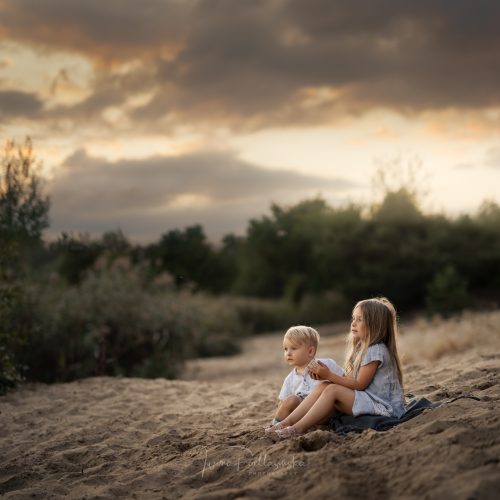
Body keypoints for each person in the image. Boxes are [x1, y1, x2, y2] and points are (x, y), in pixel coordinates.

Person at [265, 297, 405, 439]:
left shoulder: (376, 350)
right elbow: (352, 380)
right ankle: (285, 423)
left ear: (374, 324)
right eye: (353, 318)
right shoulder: (363, 349)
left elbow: (360, 385)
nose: (353, 323)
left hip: (383, 407)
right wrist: (325, 377)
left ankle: (297, 428)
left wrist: (330, 375)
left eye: (359, 319)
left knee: (332, 389)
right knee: (324, 385)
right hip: (368, 399)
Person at [269, 325, 344, 426]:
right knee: (291, 400)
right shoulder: (290, 379)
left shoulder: (326, 364)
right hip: (301, 412)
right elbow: (282, 403)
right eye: (285, 349)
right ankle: (276, 425)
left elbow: (343, 378)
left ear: (310, 351)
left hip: (324, 409)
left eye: (293, 348)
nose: (288, 353)